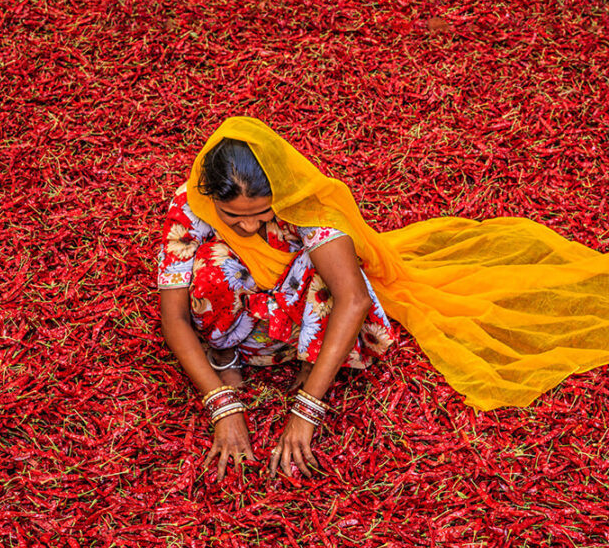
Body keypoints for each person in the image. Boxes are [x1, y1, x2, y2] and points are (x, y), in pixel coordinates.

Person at [159, 117, 609, 482]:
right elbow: (175, 315)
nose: (251, 228)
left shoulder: (304, 202)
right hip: (242, 319)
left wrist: (307, 410)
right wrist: (220, 404)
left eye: (261, 214)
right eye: (234, 217)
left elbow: (352, 300)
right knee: (211, 265)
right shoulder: (190, 204)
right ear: (208, 194)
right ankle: (228, 359)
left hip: (299, 310)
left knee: (325, 276)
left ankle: (308, 362)